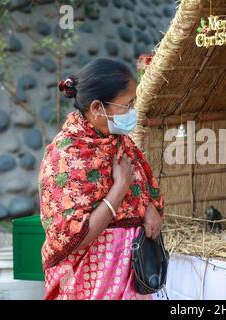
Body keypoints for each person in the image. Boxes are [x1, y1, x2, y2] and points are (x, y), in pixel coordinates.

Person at [38, 58, 164, 300]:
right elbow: (75, 237)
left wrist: (146, 206)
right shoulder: (65, 156)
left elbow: (138, 186)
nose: (132, 112)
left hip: (130, 279)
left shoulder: (119, 142)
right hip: (87, 284)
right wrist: (120, 187)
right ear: (97, 108)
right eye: (127, 105)